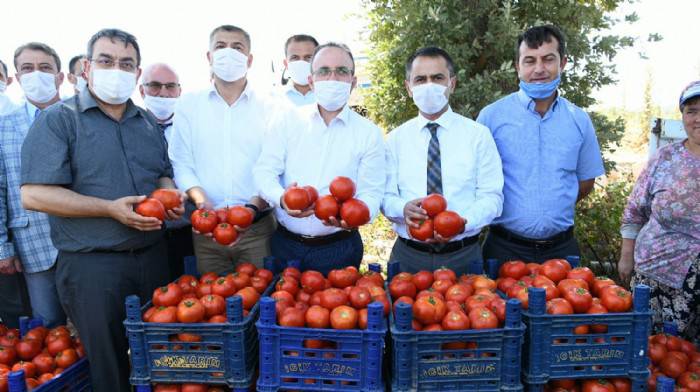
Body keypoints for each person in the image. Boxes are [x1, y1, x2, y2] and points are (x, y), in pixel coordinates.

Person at [20, 28, 185, 392]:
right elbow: (34, 195)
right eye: (106, 61)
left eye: (127, 63)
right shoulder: (60, 120)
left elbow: (162, 175)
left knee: (163, 356)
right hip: (93, 266)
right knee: (110, 367)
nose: (117, 69)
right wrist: (109, 209)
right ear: (87, 67)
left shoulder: (146, 123)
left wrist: (169, 197)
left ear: (137, 73)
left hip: (152, 256)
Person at [254, 42, 385, 275]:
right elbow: (264, 172)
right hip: (286, 244)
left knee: (338, 309)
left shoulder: (368, 132)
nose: (332, 77)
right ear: (312, 80)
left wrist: (359, 214)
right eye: (324, 71)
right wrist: (282, 199)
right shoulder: (286, 121)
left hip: (341, 246)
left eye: (342, 71)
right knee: (284, 309)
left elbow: (372, 191)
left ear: (353, 82)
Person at [477, 25, 605, 263]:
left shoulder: (579, 120)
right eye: (529, 61)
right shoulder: (491, 118)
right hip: (503, 249)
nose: (539, 69)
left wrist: (551, 204)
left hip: (562, 250)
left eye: (548, 59)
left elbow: (586, 182)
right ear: (517, 66)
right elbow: (475, 180)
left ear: (563, 63)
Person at [382, 47, 503, 275]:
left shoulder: (478, 135)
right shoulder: (395, 139)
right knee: (403, 311)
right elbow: (384, 196)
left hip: (464, 255)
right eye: (420, 79)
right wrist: (402, 209)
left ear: (452, 83)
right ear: (409, 87)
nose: (429, 85)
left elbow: (492, 198)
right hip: (408, 255)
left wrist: (463, 222)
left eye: (437, 78)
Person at [169, 25, 275, 275]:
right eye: (220, 46)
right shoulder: (189, 105)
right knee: (212, 305)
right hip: (206, 229)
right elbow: (181, 163)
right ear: (209, 57)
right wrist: (201, 201)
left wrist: (252, 208)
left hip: (258, 229)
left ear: (249, 59)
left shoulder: (270, 105)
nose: (228, 53)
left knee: (264, 303)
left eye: (237, 47)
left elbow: (274, 164)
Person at [618, 80, 700, 342]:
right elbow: (634, 210)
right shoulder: (665, 158)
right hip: (655, 275)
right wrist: (626, 256)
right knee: (652, 353)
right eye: (692, 111)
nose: (698, 118)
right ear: (683, 116)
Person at [0, 42, 68, 328]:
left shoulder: (82, 117)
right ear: (16, 77)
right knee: (49, 324)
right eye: (27, 68)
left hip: (85, 240)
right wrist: (3, 247)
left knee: (93, 321)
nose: (36, 74)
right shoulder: (4, 126)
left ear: (60, 76)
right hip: (34, 243)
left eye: (44, 68)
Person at [139, 62, 193, 279]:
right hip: (148, 232)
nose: (163, 93)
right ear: (141, 90)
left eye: (170, 86)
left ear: (180, 91)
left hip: (191, 229)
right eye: (154, 86)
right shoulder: (129, 129)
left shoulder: (191, 127)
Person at [280, 34, 318, 106]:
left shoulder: (331, 98)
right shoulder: (273, 98)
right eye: (295, 57)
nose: (302, 62)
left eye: (308, 57)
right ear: (286, 64)